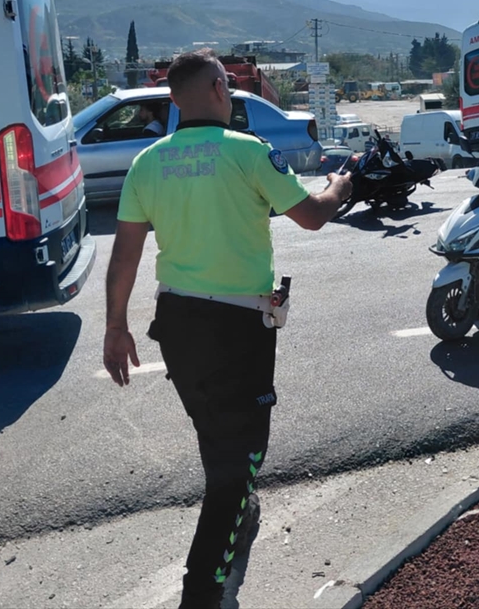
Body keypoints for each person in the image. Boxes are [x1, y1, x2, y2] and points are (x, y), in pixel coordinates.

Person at [101, 49, 353, 609]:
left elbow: (123, 258)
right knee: (240, 463)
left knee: (219, 438)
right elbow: (311, 215)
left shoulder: (149, 162)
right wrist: (340, 186)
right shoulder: (247, 151)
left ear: (173, 99)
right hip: (237, 326)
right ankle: (203, 594)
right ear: (221, 88)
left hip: (179, 322)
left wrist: (115, 328)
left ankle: (235, 513)